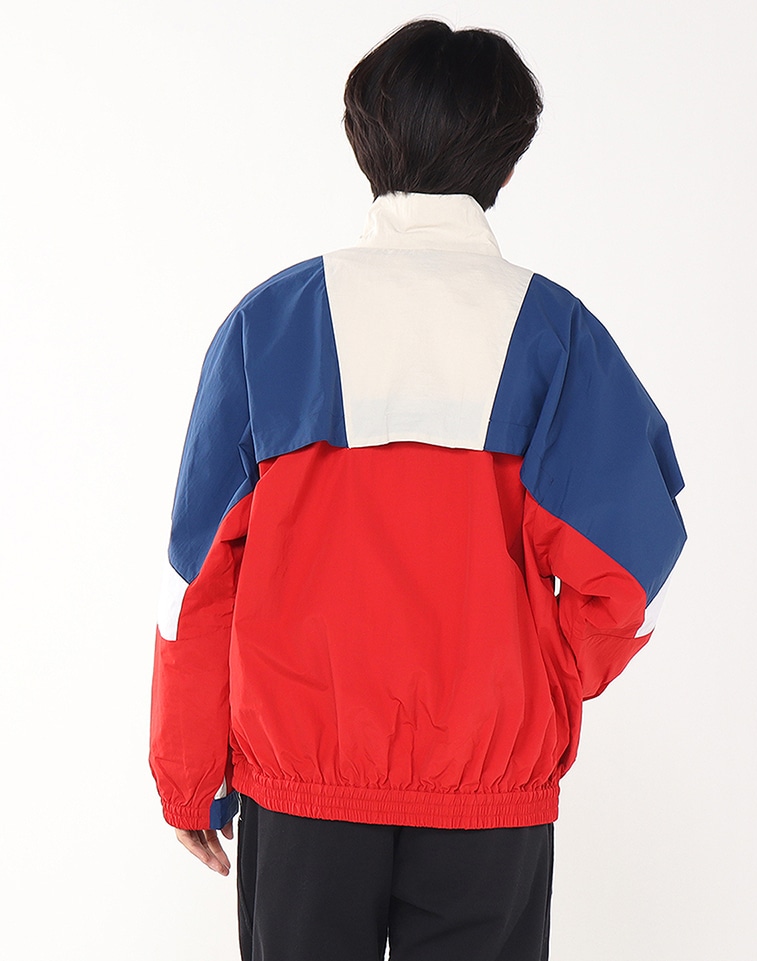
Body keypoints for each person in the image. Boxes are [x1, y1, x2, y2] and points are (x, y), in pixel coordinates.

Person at [149, 17, 686, 961]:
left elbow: (199, 577)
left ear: (364, 142)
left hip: (302, 790)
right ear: (508, 163)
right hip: (488, 794)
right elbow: (631, 560)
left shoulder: (270, 325)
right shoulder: (555, 336)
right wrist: (542, 678)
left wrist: (189, 773)